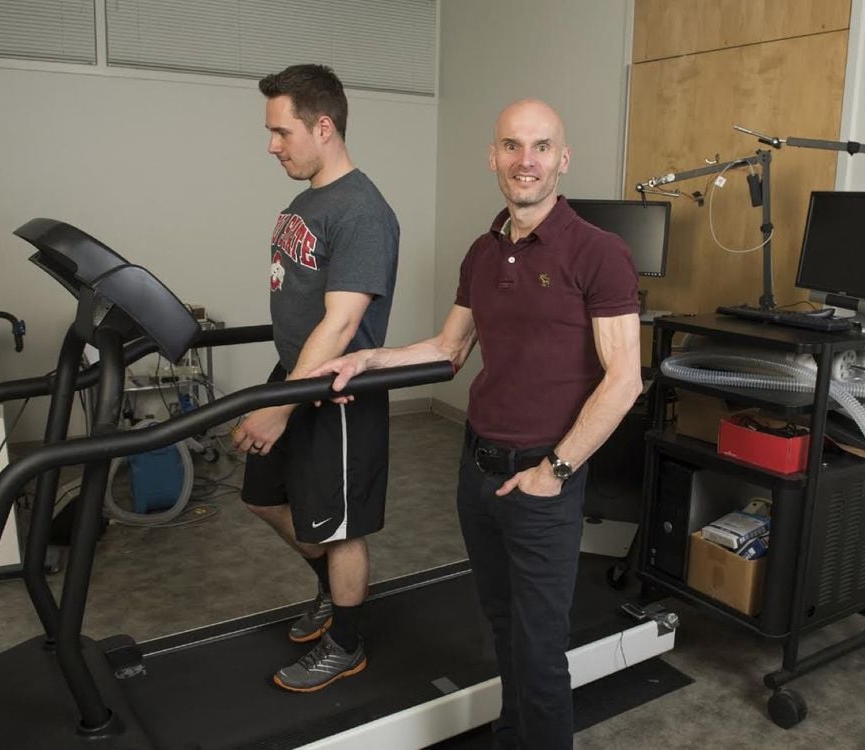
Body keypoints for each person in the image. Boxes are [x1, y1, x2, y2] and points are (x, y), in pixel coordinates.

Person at [308, 99, 643, 747]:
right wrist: (368, 358)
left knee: (541, 654)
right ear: (492, 157)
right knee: (501, 627)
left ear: (562, 159)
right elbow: (449, 348)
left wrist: (557, 471)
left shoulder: (599, 253)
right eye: (512, 146)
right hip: (478, 470)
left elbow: (624, 378)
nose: (526, 161)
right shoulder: (482, 253)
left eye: (541, 147)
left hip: (544, 479)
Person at [232, 64, 400, 693]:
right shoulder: (308, 201)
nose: (272, 145)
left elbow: (342, 321)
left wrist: (282, 406)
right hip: (297, 373)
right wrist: (281, 389)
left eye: (282, 132)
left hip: (338, 389)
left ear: (323, 126)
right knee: (261, 496)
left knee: (340, 526)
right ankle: (333, 594)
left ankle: (347, 643)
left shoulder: (362, 210)